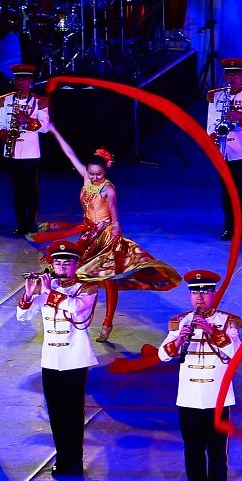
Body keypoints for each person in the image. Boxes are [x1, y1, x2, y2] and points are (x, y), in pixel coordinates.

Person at [52, 146, 181, 342]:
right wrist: (54, 132)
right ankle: (81, 317)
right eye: (91, 173)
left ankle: (107, 322)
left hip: (106, 235)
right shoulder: (87, 180)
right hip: (90, 234)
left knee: (107, 279)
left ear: (105, 171)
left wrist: (115, 227)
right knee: (82, 276)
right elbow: (71, 154)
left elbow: (113, 210)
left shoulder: (108, 188)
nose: (95, 177)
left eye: (99, 174)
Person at [161, 269, 242, 481]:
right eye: (195, 292)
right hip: (189, 399)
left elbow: (235, 353)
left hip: (217, 399)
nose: (200, 297)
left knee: (217, 454)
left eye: (205, 291)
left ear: (213, 294)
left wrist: (211, 331)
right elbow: (163, 354)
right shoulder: (180, 322)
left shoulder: (227, 322)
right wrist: (179, 341)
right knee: (193, 453)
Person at [16, 242, 100, 477]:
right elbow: (23, 316)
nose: (61, 267)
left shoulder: (87, 288)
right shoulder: (47, 287)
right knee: (55, 412)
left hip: (75, 358)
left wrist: (48, 291)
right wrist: (29, 293)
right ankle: (62, 458)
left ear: (76, 265)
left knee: (72, 411)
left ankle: (75, 461)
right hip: (51, 359)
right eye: (57, 263)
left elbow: (75, 309)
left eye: (66, 263)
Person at [207, 57, 242, 240]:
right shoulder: (215, 96)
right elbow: (211, 122)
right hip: (223, 151)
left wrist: (240, 117)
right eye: (229, 74)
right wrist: (214, 135)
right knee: (226, 192)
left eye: (236, 74)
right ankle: (229, 227)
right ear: (224, 76)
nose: (233, 78)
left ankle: (240, 227)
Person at [0, 64, 51, 237]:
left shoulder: (40, 101)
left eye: (24, 79)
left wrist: (27, 120)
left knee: (31, 190)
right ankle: (21, 224)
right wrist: (5, 135)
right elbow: (1, 124)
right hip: (11, 151)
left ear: (31, 81)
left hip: (30, 152)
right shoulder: (5, 100)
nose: (21, 83)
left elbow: (45, 128)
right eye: (17, 79)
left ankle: (31, 223)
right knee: (17, 190)